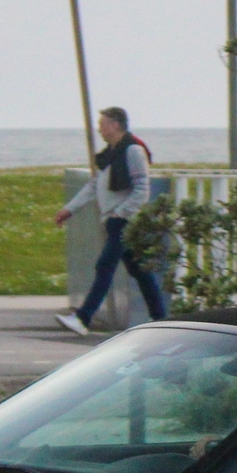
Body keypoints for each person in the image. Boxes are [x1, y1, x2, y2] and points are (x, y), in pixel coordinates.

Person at [54, 107, 169, 334]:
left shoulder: (133, 150)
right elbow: (94, 185)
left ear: (115, 125)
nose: (99, 128)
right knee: (140, 271)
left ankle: (83, 318)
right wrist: (69, 209)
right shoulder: (111, 153)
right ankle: (161, 320)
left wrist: (121, 212)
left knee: (105, 265)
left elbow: (141, 188)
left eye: (103, 123)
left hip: (124, 221)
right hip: (115, 219)